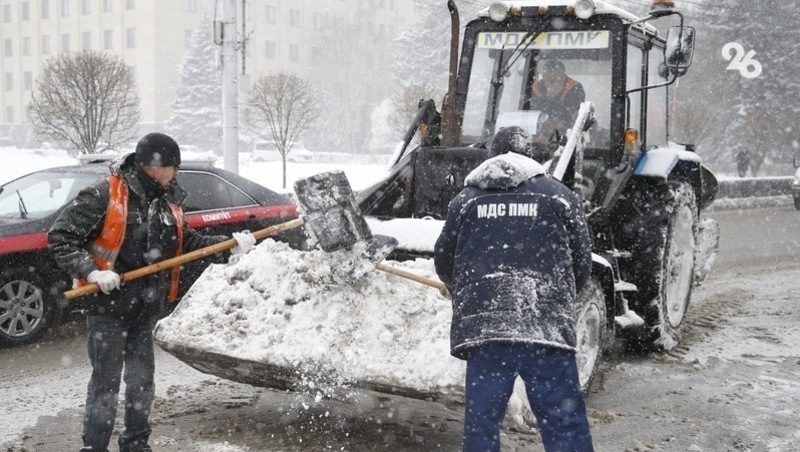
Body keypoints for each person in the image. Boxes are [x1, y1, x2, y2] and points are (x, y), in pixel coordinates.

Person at [48, 132, 256, 452]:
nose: (177, 173)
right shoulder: (106, 194)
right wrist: (91, 271)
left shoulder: (167, 203)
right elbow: (61, 237)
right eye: (174, 167)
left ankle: (135, 445)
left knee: (141, 383)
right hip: (108, 309)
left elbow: (189, 245)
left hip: (145, 308)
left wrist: (230, 247)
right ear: (155, 167)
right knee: (106, 384)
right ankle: (94, 447)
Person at [434, 126, 594, 452]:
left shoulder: (465, 201)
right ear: (530, 156)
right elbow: (582, 263)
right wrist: (557, 299)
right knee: (563, 422)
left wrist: (458, 287)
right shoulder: (560, 196)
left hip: (486, 329)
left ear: (492, 155)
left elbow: (444, 259)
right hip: (545, 327)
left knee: (482, 424)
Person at [529, 59, 586, 124]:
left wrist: (552, 95)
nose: (552, 80)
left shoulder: (575, 88)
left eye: (556, 76)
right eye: (547, 77)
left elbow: (571, 116)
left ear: (564, 76)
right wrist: (548, 95)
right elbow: (529, 112)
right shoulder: (535, 88)